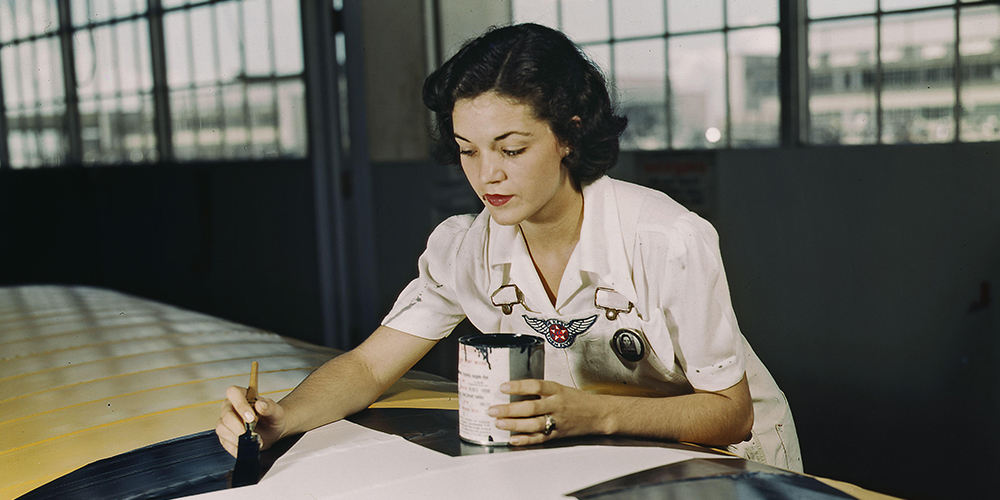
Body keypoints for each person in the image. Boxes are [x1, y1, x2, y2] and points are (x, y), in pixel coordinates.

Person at [217, 22, 802, 472]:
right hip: (609, 452)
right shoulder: (466, 248)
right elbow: (371, 364)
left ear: (569, 133)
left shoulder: (665, 238)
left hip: (738, 463)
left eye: (512, 148)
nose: (486, 175)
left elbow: (731, 411)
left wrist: (594, 413)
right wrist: (280, 419)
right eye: (468, 149)